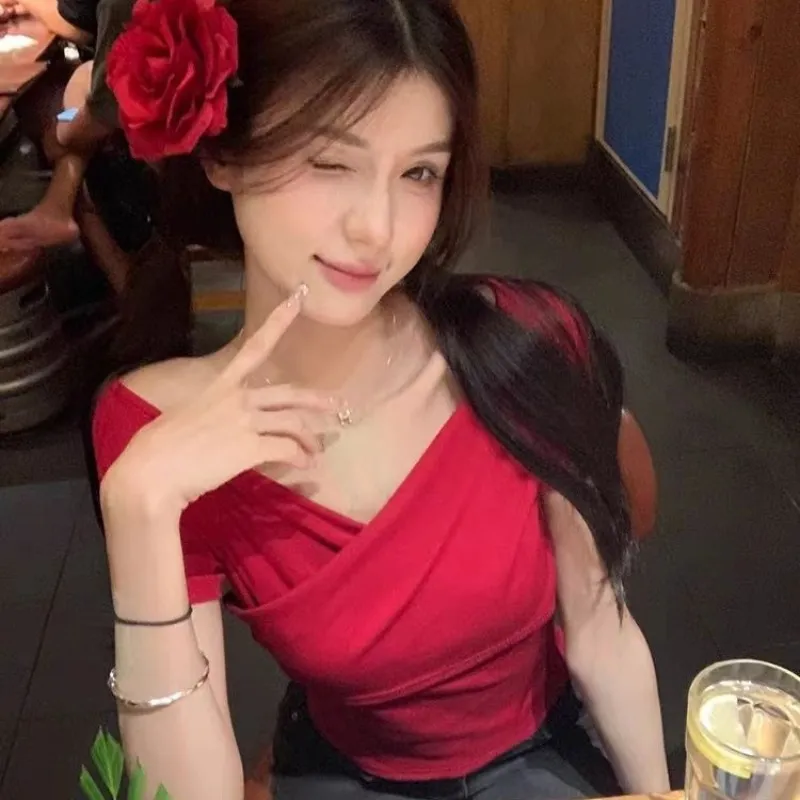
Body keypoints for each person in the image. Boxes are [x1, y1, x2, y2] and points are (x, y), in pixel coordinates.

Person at [91, 1, 670, 799]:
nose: (378, 227)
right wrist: (138, 510)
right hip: (344, 773)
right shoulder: (157, 433)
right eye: (331, 162)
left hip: (538, 755)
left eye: (418, 173)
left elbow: (602, 636)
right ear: (222, 154)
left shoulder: (527, 345)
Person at [0, 0, 133, 257]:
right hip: (106, 99)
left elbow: (100, 109)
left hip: (106, 110)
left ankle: (59, 209)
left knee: (61, 102)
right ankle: (57, 207)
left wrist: (61, 134)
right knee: (60, 91)